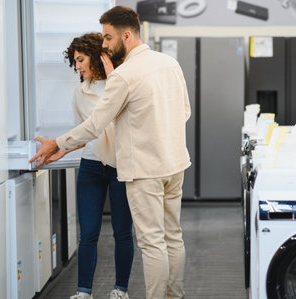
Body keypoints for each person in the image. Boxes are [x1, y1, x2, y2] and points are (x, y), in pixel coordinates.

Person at [30, 6, 191, 299]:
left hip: (144, 170)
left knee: (152, 243)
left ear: (126, 35)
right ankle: (174, 296)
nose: (103, 44)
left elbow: (94, 125)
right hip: (175, 163)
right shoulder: (170, 64)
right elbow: (184, 112)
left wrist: (57, 143)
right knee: (173, 237)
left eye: (107, 37)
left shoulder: (124, 75)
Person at [54, 33, 134, 299]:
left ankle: (120, 290)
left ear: (96, 56)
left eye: (80, 59)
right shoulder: (81, 92)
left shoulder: (120, 82)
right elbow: (83, 132)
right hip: (90, 165)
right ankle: (83, 292)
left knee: (122, 232)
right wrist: (58, 149)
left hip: (121, 166)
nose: (77, 66)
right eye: (75, 61)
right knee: (88, 233)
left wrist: (113, 75)